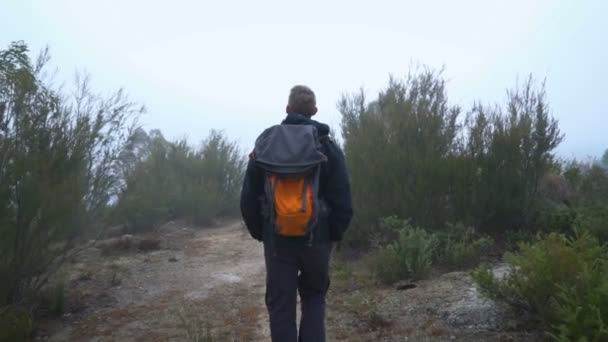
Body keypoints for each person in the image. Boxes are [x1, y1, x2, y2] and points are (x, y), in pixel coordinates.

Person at [240, 85, 353, 342]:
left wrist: (263, 232)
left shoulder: (267, 144)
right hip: (317, 238)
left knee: (281, 305)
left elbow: (248, 197)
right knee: (314, 299)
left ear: (288, 109)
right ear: (314, 111)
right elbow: (343, 199)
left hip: (277, 239)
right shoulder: (326, 146)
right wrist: (331, 235)